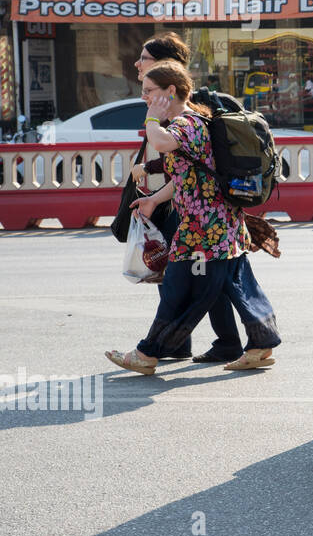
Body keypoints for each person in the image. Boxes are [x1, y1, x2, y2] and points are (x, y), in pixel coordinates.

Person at [105, 61, 282, 376]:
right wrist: (154, 200)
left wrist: (152, 118)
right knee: (237, 283)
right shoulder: (196, 119)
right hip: (221, 223)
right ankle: (260, 343)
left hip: (203, 228)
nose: (144, 97)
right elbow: (187, 176)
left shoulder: (186, 124)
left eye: (149, 92)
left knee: (179, 289)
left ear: (170, 91)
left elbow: (159, 143)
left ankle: (147, 353)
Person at [126, 32, 243, 363]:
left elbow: (175, 153)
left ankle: (158, 347)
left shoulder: (183, 113)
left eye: (145, 59)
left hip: (198, 210)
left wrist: (150, 166)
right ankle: (225, 341)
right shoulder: (170, 106)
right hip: (189, 203)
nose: (138, 64)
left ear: (166, 69)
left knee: (188, 281)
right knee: (208, 278)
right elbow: (182, 164)